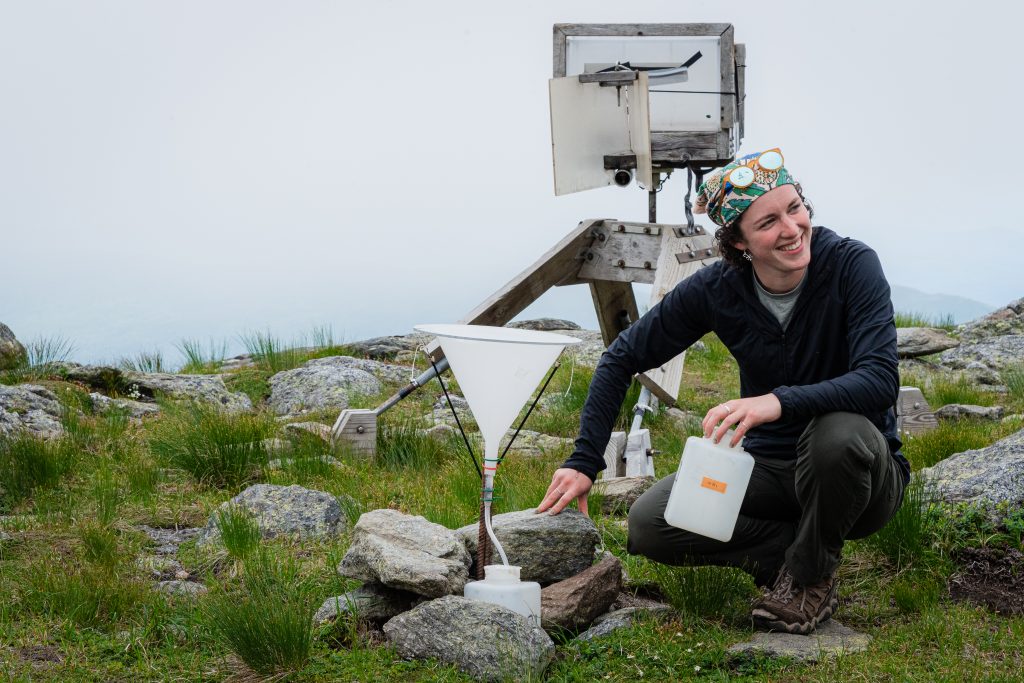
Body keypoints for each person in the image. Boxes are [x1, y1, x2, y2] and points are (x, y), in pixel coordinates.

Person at [535, 148, 909, 634]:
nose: (792, 229)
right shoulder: (718, 290)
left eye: (795, 208)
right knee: (652, 523)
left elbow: (880, 380)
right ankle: (791, 554)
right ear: (738, 244)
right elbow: (621, 357)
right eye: (769, 221)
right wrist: (585, 460)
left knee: (833, 435)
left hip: (862, 477)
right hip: (772, 469)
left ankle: (809, 577)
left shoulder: (851, 265)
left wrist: (777, 401)